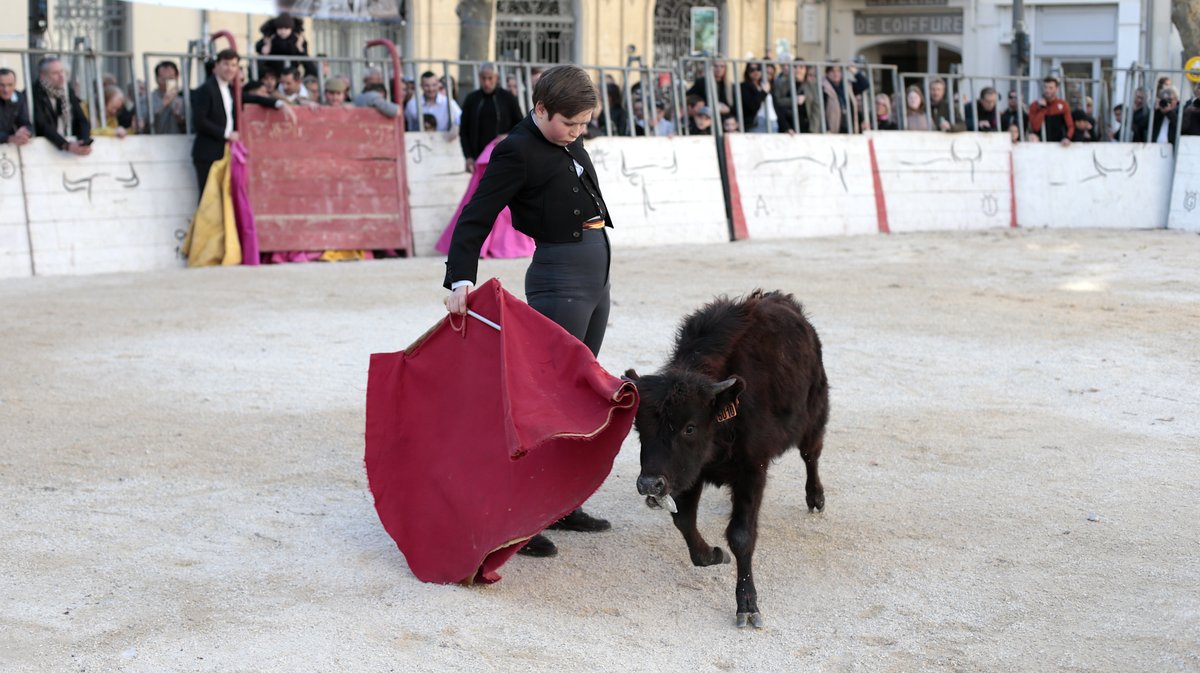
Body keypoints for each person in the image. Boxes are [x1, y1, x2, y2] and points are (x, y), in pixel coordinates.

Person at [443, 65, 615, 559]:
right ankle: (518, 512)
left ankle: (560, 502)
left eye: (584, 124)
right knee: (539, 399)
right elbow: (476, 215)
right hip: (560, 277)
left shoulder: (563, 138)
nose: (578, 132)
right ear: (540, 109)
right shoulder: (515, 149)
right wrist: (459, 278)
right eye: (570, 123)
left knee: (577, 393)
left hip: (594, 275)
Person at [192, 50, 292, 196]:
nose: (230, 69)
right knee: (209, 198)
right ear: (216, 66)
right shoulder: (206, 89)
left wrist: (278, 103)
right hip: (208, 152)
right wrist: (226, 134)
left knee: (224, 198)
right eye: (226, 64)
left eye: (234, 65)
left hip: (224, 151)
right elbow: (199, 121)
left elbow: (253, 98)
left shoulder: (230, 89)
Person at [460, 63, 523, 174]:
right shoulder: (471, 99)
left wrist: (508, 136)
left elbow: (521, 126)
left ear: (496, 78)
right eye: (483, 78)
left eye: (490, 78)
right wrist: (468, 156)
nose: (486, 83)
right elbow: (464, 130)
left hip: (504, 156)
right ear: (479, 77)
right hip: (478, 158)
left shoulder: (507, 98)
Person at [32, 57, 91, 155]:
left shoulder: (67, 91)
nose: (61, 76)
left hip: (68, 145)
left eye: (62, 72)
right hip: (44, 151)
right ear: (42, 76)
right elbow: (41, 125)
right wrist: (65, 145)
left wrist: (84, 141)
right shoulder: (33, 94)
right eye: (55, 73)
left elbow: (81, 119)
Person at [255, 13, 314, 79]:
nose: (283, 31)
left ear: (291, 29)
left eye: (286, 28)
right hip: (273, 75)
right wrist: (266, 48)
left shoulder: (297, 40)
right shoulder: (270, 39)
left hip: (292, 75)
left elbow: (309, 66)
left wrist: (300, 48)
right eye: (280, 28)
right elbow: (259, 63)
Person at [774, 60, 819, 134]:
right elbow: (777, 103)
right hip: (788, 128)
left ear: (805, 70)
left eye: (801, 67)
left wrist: (813, 130)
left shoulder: (812, 86)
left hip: (806, 128)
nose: (798, 70)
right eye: (795, 67)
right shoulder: (782, 84)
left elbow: (816, 109)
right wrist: (793, 100)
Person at [1028, 76, 1073, 145]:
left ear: (1056, 89)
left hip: (1059, 144)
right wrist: (1042, 109)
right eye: (1045, 87)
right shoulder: (1035, 105)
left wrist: (1067, 137)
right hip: (1040, 144)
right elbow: (1035, 127)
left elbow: (1070, 126)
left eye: (1051, 88)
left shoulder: (1063, 105)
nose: (1047, 91)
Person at [149, 61, 185, 134]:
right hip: (155, 140)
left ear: (177, 77)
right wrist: (162, 105)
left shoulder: (186, 96)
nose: (166, 82)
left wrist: (179, 116)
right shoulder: (148, 99)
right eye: (163, 79)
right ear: (156, 79)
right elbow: (146, 126)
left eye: (170, 78)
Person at [738, 63, 776, 133]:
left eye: (758, 69)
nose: (755, 72)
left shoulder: (765, 84)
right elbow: (752, 106)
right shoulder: (744, 86)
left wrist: (786, 127)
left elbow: (776, 107)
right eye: (751, 70)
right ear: (747, 72)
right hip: (756, 123)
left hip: (773, 121)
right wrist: (763, 92)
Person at [0, 68, 33, 146]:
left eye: (10, 85)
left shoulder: (19, 98)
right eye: (2, 85)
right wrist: (8, 138)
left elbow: (27, 124)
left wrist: (24, 132)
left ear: (15, 85)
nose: (6, 90)